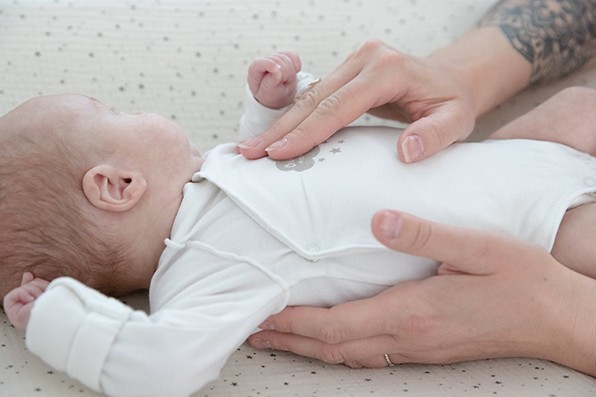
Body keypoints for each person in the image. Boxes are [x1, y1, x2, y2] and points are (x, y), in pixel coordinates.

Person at [3, 51, 596, 396]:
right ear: (117, 186)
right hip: (538, 229)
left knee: (578, 106)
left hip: (502, 158)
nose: (133, 109)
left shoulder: (211, 169)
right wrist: (60, 318)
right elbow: (161, 364)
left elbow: (285, 152)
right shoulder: (204, 268)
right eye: (115, 112)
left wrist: (276, 103)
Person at [240, 0, 596, 377]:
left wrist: (561, 312)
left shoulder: (213, 200)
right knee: (579, 109)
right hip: (529, 178)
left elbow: (258, 146)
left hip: (533, 211)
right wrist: (458, 73)